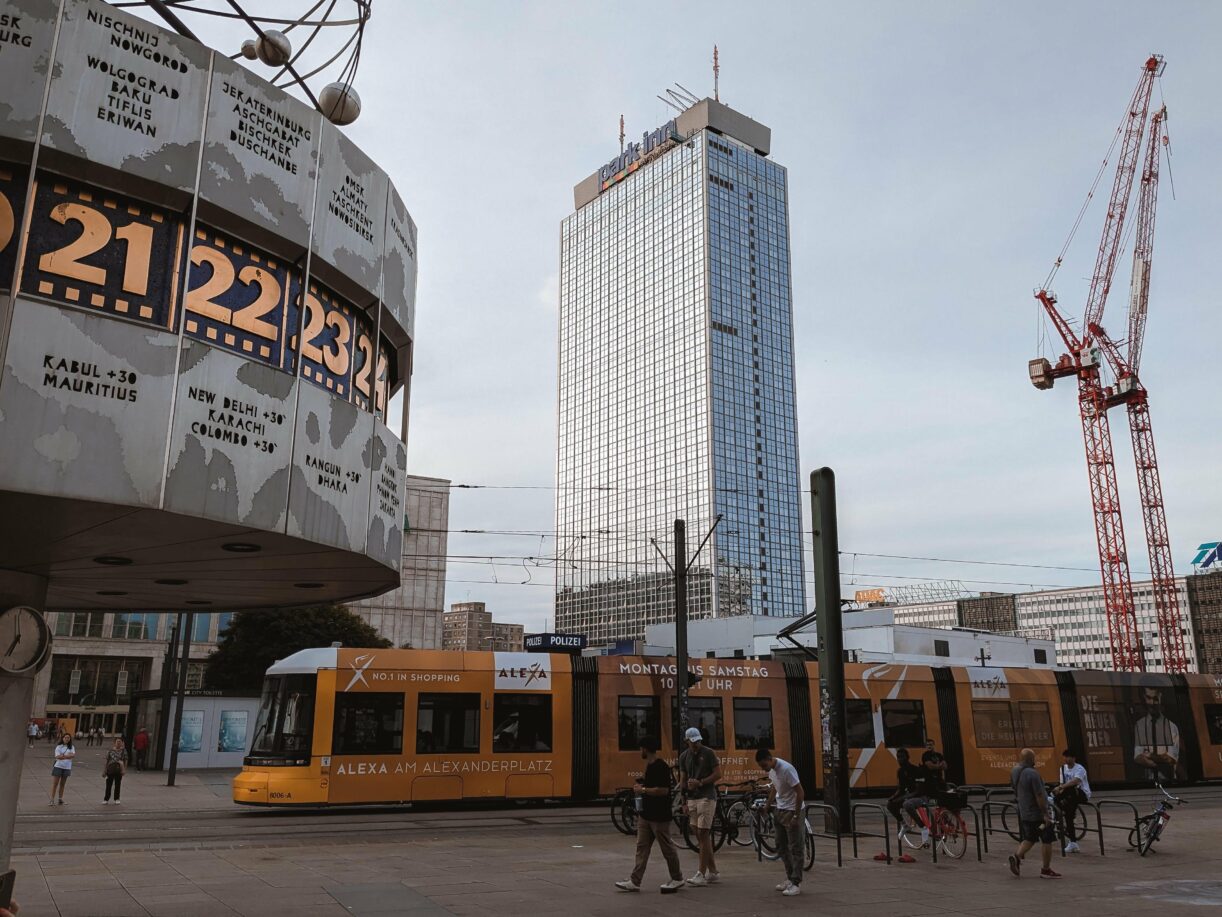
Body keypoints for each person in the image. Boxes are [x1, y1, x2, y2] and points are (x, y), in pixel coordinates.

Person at [615, 737, 685, 894]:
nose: (640, 751)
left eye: (641, 749)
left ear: (645, 749)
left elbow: (664, 790)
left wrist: (644, 790)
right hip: (646, 815)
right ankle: (635, 880)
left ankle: (677, 878)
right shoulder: (649, 766)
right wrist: (642, 786)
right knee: (642, 848)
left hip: (659, 816)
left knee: (667, 848)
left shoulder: (661, 766)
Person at [756, 747, 804, 897]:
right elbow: (775, 789)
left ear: (770, 759)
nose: (764, 770)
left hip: (792, 811)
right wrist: (767, 806)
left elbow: (800, 792)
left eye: (764, 765)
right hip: (780, 810)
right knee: (780, 845)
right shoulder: (772, 771)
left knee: (796, 847)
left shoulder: (787, 769)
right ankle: (789, 878)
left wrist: (796, 816)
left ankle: (796, 883)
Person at [1007, 747, 1061, 879]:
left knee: (1030, 838)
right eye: (1034, 758)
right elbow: (1039, 796)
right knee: (1047, 839)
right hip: (1037, 812)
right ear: (1031, 759)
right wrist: (1045, 814)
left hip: (1024, 811)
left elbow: (1014, 788)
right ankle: (1046, 869)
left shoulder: (1014, 771)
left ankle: (1017, 856)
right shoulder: (1033, 773)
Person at [678, 726, 721, 886]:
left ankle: (701, 874)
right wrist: (683, 801)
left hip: (707, 797)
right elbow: (682, 779)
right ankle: (713, 871)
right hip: (692, 798)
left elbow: (718, 774)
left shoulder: (709, 753)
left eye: (698, 741)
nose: (696, 744)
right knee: (698, 834)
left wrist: (701, 782)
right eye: (693, 742)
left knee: (703, 834)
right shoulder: (684, 757)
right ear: (687, 741)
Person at [1133, 683, 1180, 782]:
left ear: (1160, 698)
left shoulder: (1171, 727)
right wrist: (1159, 760)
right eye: (1148, 698)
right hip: (1147, 782)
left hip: (1168, 782)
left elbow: (1170, 759)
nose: (1152, 703)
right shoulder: (1140, 725)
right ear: (1144, 698)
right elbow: (1137, 757)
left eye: (1155, 699)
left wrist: (1149, 755)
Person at [904, 745, 947, 845]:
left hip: (932, 791)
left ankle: (926, 829)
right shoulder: (933, 760)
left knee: (913, 804)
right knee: (937, 806)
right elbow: (942, 766)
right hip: (940, 787)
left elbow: (940, 766)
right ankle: (942, 827)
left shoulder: (923, 769)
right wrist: (939, 765)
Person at [887, 748, 922, 832]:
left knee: (907, 804)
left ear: (907, 757)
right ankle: (904, 825)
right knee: (890, 805)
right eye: (898, 757)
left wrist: (904, 797)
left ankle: (922, 826)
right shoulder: (900, 771)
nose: (899, 760)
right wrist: (893, 797)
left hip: (919, 796)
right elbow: (900, 788)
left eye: (902, 757)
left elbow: (919, 790)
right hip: (909, 795)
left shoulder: (916, 769)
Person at [49, 733, 75, 805]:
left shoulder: (71, 747)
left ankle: (60, 799)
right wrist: (67, 756)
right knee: (55, 784)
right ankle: (52, 799)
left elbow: (73, 755)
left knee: (62, 784)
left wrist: (63, 755)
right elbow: (57, 757)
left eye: (68, 738)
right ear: (63, 738)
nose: (67, 739)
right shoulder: (59, 747)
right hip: (58, 767)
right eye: (65, 737)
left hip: (67, 767)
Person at [103, 737, 129, 806]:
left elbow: (126, 760)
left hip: (118, 770)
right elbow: (107, 760)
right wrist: (105, 770)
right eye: (117, 741)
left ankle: (117, 799)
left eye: (120, 741)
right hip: (110, 769)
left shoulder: (124, 751)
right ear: (114, 742)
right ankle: (106, 799)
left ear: (122, 743)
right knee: (108, 785)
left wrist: (124, 769)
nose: (118, 743)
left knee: (118, 785)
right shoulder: (110, 750)